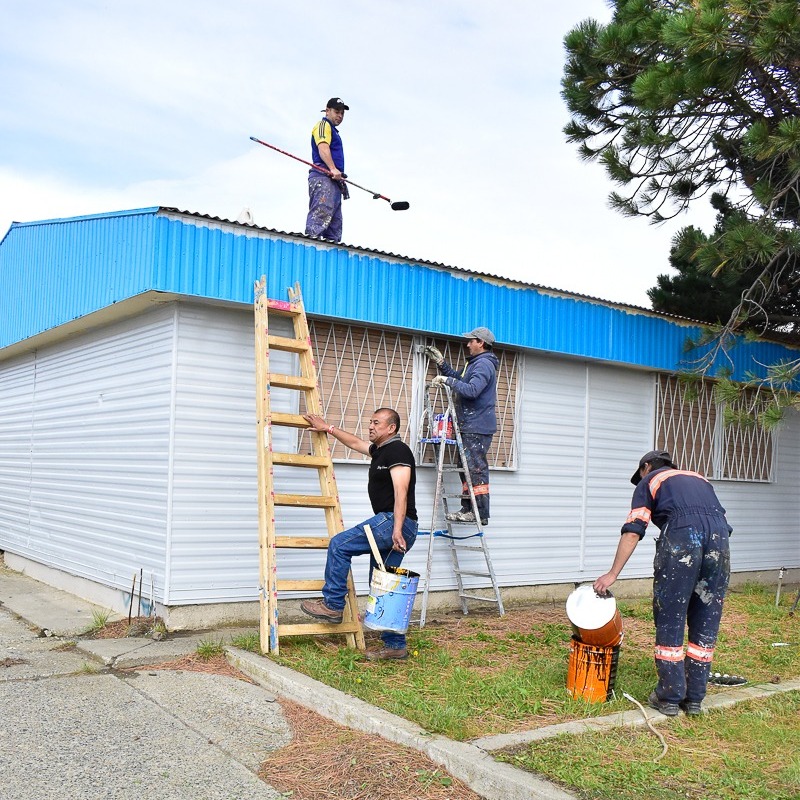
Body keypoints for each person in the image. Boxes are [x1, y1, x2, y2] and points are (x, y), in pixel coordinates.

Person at [594, 449, 732, 717]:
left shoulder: (651, 481)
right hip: (719, 544)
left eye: (641, 473)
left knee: (671, 614)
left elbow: (634, 528)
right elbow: (723, 524)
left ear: (647, 467)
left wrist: (612, 574)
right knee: (706, 616)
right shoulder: (699, 479)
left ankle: (669, 697)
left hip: (683, 540)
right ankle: (694, 699)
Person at [299, 407, 418, 660]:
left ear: (391, 428)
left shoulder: (398, 451)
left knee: (340, 545)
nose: (371, 426)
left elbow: (402, 490)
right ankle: (395, 645)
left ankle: (332, 605)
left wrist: (396, 528)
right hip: (396, 523)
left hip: (394, 521)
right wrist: (328, 428)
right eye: (370, 422)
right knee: (383, 583)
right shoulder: (380, 451)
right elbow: (355, 442)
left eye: (376, 423)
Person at [424, 328, 499, 526]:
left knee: (475, 470)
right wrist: (441, 365)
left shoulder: (483, 365)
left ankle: (479, 512)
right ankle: (469, 509)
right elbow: (460, 381)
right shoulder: (474, 363)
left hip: (477, 426)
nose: (467, 344)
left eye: (471, 341)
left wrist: (447, 380)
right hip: (470, 425)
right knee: (465, 469)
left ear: (481, 342)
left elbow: (472, 390)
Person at [305, 97, 349, 242]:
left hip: (334, 182)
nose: (340, 116)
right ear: (327, 110)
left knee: (334, 228)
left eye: (342, 113)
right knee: (319, 219)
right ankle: (311, 250)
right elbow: (323, 147)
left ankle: (330, 259)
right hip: (323, 177)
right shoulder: (323, 126)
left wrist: (338, 174)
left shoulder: (335, 132)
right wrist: (333, 168)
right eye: (337, 112)